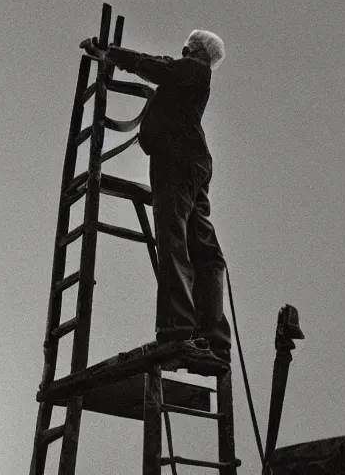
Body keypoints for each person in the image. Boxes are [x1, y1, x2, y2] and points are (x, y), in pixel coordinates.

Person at [80, 30, 231, 363]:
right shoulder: (192, 77)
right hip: (191, 161)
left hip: (176, 161)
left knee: (173, 238)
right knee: (201, 246)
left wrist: (111, 53)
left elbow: (159, 68)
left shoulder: (192, 70)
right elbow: (164, 68)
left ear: (194, 51)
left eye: (185, 49)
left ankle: (177, 331)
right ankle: (213, 340)